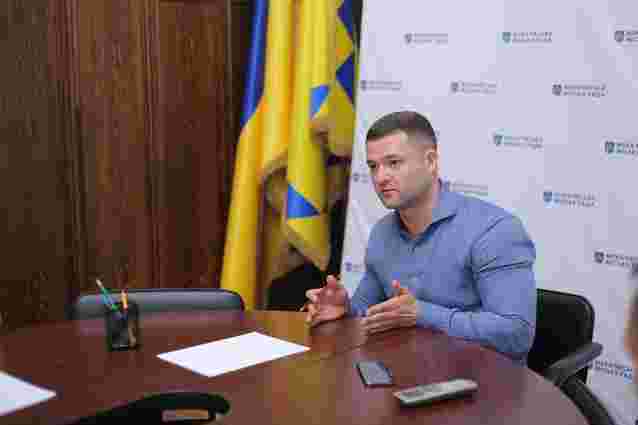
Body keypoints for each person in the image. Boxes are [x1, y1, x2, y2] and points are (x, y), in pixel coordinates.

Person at [305, 110, 537, 363]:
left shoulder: (494, 230)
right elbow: (369, 313)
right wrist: (344, 311)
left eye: (394, 163)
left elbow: (516, 334)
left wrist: (421, 313)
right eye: (373, 166)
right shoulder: (382, 232)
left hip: (483, 380)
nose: (380, 177)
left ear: (430, 161)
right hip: (405, 372)